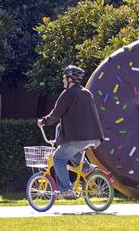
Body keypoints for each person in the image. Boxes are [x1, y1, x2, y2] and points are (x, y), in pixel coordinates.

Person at [37, 65, 104, 198]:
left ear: (70, 79)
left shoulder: (69, 93)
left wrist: (43, 122)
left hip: (77, 137)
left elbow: (56, 114)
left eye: (64, 77)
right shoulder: (87, 93)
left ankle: (66, 190)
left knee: (58, 158)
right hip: (92, 136)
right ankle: (86, 168)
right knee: (71, 151)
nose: (63, 80)